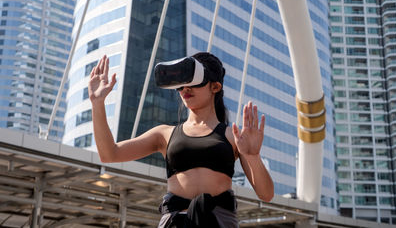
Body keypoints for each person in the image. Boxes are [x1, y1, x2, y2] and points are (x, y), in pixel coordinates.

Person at [89, 52, 274, 227]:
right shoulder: (164, 134)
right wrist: (97, 103)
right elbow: (109, 154)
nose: (185, 89)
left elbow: (266, 194)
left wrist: (252, 156)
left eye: (193, 82)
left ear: (215, 86)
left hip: (217, 222)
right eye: (181, 84)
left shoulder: (233, 136)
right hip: (174, 222)